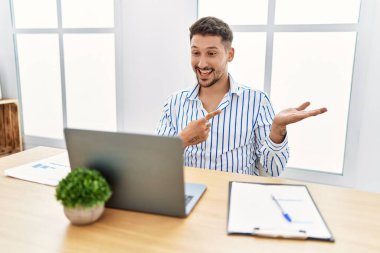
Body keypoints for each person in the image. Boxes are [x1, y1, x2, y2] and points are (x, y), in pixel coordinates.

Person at [156, 17, 327, 176]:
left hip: (237, 198)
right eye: (195, 53)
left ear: (230, 54)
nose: (201, 63)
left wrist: (277, 129)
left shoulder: (257, 101)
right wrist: (183, 140)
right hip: (189, 197)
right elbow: (156, 164)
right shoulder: (174, 103)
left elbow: (274, 169)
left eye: (211, 53)